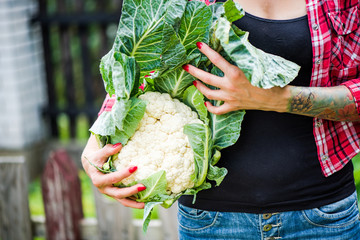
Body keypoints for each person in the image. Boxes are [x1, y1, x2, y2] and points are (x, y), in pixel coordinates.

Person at [82, 0, 360, 239]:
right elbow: (139, 66)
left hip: (323, 215)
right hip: (211, 221)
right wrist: (98, 139)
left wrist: (275, 99)